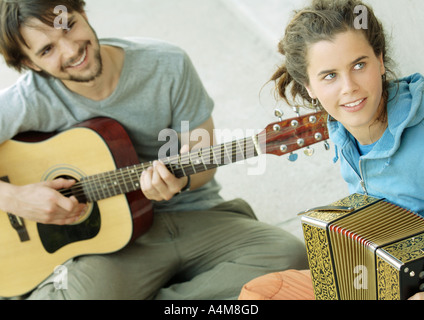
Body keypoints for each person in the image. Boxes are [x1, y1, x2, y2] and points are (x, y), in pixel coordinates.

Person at [0, 0, 309, 300]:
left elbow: (202, 163)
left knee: (290, 257)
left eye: (68, 26)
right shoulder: (27, 101)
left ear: (81, 10)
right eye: (47, 49)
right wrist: (16, 198)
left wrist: (181, 180)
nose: (70, 50)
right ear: (29, 63)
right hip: (115, 246)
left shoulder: (166, 64)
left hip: (194, 216)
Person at [239, 0, 424, 300]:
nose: (349, 87)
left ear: (380, 60)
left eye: (359, 65)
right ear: (309, 86)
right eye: (330, 76)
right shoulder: (340, 131)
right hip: (375, 275)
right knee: (261, 293)